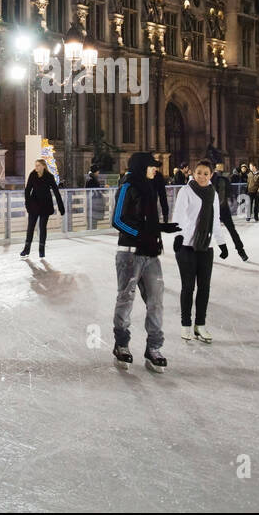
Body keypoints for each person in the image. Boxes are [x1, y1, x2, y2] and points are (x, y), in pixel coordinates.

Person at [110, 151, 180, 373]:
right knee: (126, 298)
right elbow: (118, 219)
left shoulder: (149, 188)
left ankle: (154, 348)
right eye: (152, 166)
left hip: (151, 254)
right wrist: (140, 236)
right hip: (130, 253)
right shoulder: (128, 186)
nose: (155, 169)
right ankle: (122, 344)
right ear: (141, 166)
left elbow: (146, 223)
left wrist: (160, 229)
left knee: (156, 301)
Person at [172, 159, 226, 344]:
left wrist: (222, 243)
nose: (202, 176)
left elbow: (215, 219)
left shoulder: (213, 193)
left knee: (204, 288)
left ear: (211, 175)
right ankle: (185, 324)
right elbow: (178, 215)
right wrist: (179, 236)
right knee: (188, 287)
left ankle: (200, 325)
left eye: (206, 173)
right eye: (199, 173)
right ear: (193, 174)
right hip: (186, 246)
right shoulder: (186, 191)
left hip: (206, 247)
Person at [21, 159, 64, 258]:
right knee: (30, 227)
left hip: (45, 206)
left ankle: (41, 250)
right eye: (35, 165)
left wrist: (61, 207)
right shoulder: (32, 175)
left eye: (38, 165)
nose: (36, 167)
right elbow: (27, 190)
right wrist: (27, 204)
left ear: (43, 166)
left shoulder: (49, 177)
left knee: (42, 228)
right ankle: (26, 249)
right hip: (34, 206)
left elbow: (56, 192)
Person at [208, 167, 249, 262]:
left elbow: (222, 197)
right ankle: (204, 253)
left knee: (232, 230)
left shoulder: (221, 181)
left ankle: (241, 251)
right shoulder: (206, 181)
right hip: (213, 210)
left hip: (222, 209)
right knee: (207, 232)